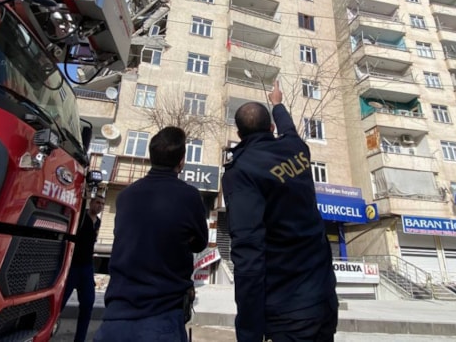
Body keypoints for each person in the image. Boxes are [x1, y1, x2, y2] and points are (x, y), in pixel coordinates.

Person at [222, 80, 338, 342]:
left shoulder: (241, 172)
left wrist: (249, 333)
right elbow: (290, 131)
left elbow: (248, 255)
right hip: (323, 299)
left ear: (239, 135)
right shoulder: (297, 148)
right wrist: (277, 104)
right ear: (271, 128)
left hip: (289, 310)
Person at [94, 126, 209, 342]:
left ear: (150, 157)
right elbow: (199, 243)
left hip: (115, 317)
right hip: (161, 317)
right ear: (182, 161)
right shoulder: (189, 196)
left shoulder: (126, 196)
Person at [61, 195, 105, 342]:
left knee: (87, 305)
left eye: (102, 204)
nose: (99, 206)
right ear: (91, 203)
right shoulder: (80, 218)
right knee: (59, 304)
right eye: (97, 202)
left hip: (87, 267)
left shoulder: (97, 222)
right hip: (72, 266)